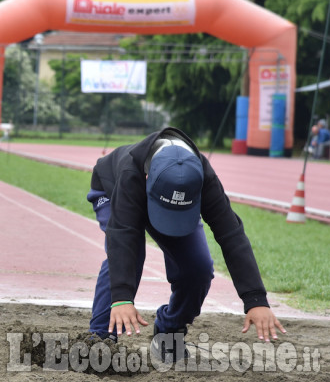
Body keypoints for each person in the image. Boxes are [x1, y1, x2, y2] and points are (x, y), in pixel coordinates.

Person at [87, 126, 286, 364]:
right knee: (128, 257)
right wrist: (121, 298)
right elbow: (122, 237)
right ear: (149, 179)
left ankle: (169, 332)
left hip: (174, 201)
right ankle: (100, 341)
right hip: (112, 190)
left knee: (198, 268)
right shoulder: (131, 174)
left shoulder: (203, 177)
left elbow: (231, 235)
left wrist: (256, 300)